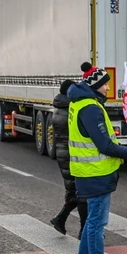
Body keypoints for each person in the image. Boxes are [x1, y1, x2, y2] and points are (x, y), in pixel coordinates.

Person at [69, 63, 127, 254]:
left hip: (87, 172)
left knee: (92, 221)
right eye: (105, 84)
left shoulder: (79, 104)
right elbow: (104, 145)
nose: (109, 88)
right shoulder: (91, 108)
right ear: (96, 86)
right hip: (96, 173)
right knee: (97, 224)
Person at [48, 80, 87, 237]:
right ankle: (83, 229)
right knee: (82, 193)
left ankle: (60, 219)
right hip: (71, 156)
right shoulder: (69, 109)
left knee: (74, 191)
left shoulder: (59, 108)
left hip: (63, 154)